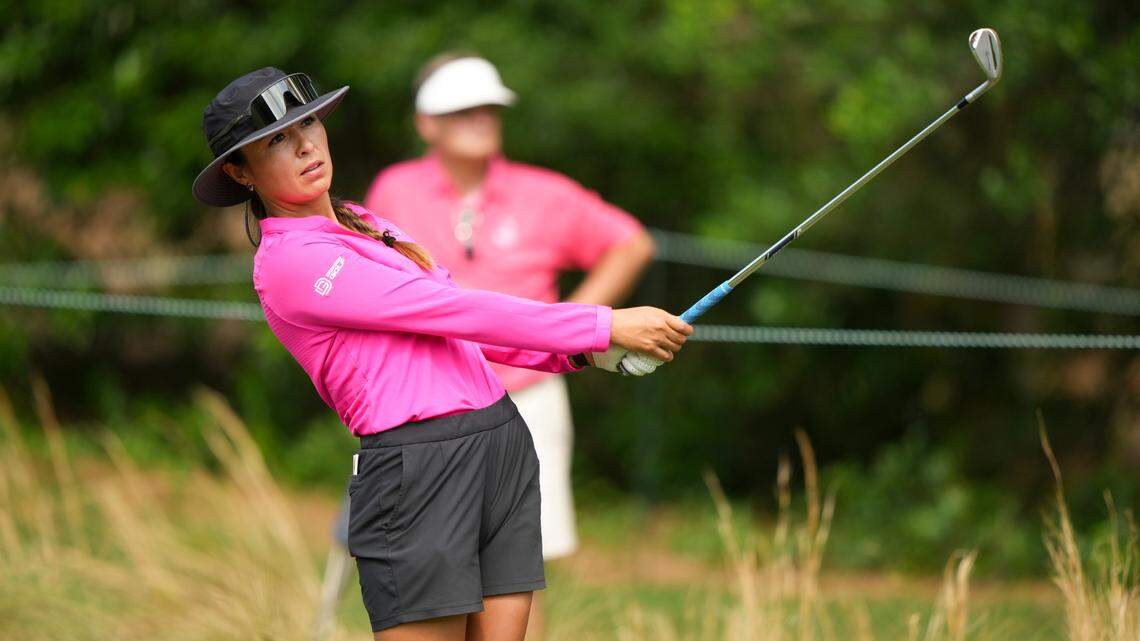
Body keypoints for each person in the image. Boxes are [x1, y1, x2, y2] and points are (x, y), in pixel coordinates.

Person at [191, 67, 691, 641]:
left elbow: (458, 327)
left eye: (307, 123)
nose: (305, 144)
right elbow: (448, 311)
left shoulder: (369, 225)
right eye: (276, 139)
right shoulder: (290, 263)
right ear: (239, 171)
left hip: (499, 441)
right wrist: (600, 326)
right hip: (420, 468)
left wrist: (576, 356)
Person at [363, 53, 657, 637]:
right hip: (432, 404)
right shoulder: (394, 190)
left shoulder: (543, 192)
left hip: (526, 395)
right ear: (428, 123)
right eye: (462, 109)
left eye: (488, 108)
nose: (481, 119)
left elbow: (630, 243)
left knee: (518, 566)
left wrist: (576, 325)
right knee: (435, 559)